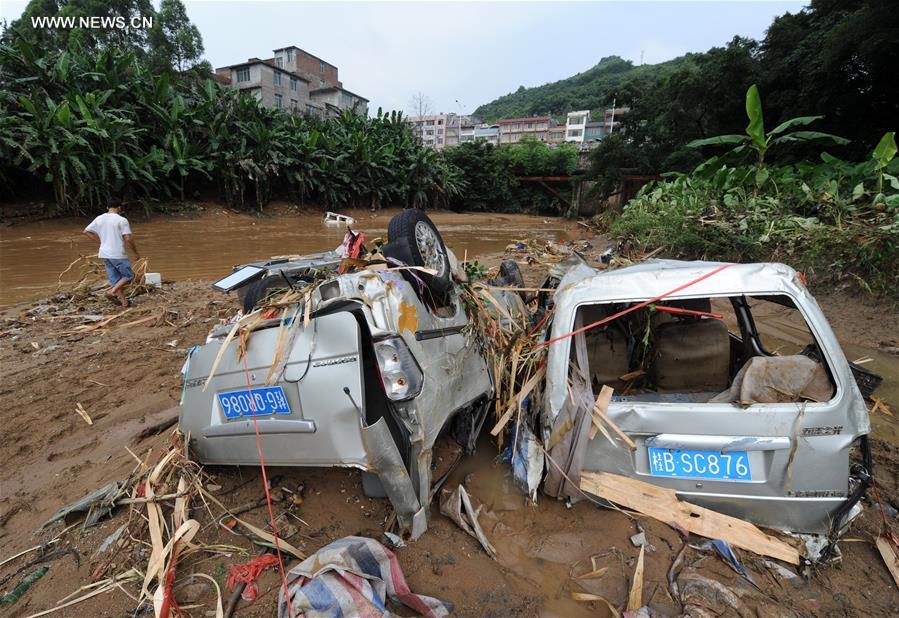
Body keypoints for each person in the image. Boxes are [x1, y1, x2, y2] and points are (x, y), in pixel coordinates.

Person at [83, 198, 141, 308]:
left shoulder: (99, 218)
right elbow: (128, 238)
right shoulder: (122, 220)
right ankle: (111, 292)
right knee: (129, 276)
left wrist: (101, 242)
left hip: (104, 253)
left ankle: (124, 302)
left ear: (107, 208)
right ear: (119, 207)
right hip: (117, 253)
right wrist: (136, 253)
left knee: (116, 279)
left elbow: (86, 231)